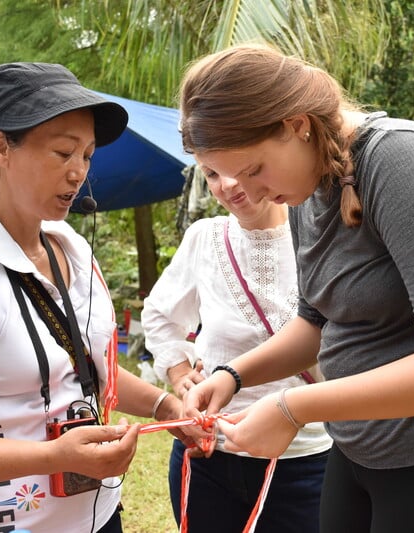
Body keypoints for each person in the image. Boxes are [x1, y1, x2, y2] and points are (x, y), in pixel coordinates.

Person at [179, 44, 414, 533]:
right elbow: (315, 323)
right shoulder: (308, 187)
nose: (249, 192)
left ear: (297, 124)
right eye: (224, 175)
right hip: (359, 450)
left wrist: (292, 408)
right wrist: (232, 376)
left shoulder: (402, 161)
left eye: (254, 169)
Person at [0, 62, 184, 533]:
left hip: (97, 515)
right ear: (0, 147)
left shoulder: (71, 248)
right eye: (63, 152)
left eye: (87, 155)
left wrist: (165, 406)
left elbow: (83, 367)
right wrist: (52, 456)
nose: (78, 172)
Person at [141, 168, 332, 532]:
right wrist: (180, 374)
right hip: (209, 454)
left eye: (238, 169)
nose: (227, 185)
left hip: (304, 460)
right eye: (212, 174)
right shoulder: (205, 238)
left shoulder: (321, 234)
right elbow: (160, 314)